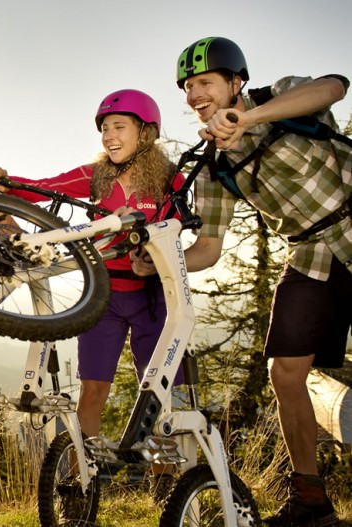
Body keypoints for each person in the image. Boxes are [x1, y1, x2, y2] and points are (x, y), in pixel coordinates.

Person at [136, 36, 349, 527]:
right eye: (188, 88)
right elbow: (209, 248)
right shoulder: (212, 167)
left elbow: (335, 86)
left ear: (236, 82)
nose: (194, 95)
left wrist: (251, 118)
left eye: (205, 83)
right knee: (285, 374)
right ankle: (311, 502)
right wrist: (164, 264)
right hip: (310, 253)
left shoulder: (284, 98)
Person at [0, 89, 184, 500]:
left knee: (163, 392)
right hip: (106, 296)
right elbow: (46, 187)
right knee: (93, 389)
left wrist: (153, 255)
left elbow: (178, 226)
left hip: (155, 297)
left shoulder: (169, 178)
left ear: (146, 132)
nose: (109, 135)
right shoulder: (97, 174)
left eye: (119, 127)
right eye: (105, 128)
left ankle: (164, 478)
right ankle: (80, 483)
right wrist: (6, 182)